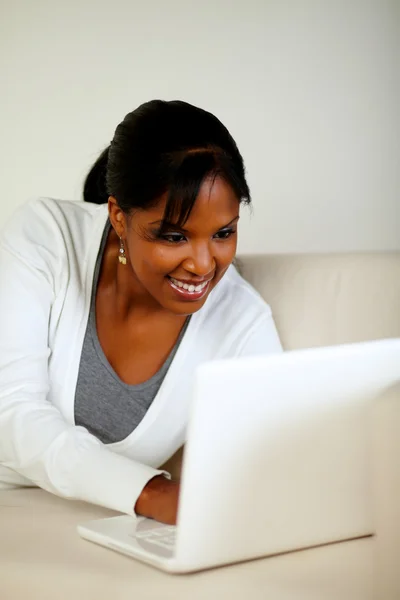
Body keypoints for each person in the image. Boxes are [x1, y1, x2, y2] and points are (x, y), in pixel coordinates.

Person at [0, 100, 282, 525]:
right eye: (173, 236)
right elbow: (10, 414)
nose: (203, 265)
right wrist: (151, 492)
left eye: (224, 233)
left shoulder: (243, 325)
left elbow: (280, 457)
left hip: (91, 532)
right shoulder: (46, 237)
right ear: (118, 216)